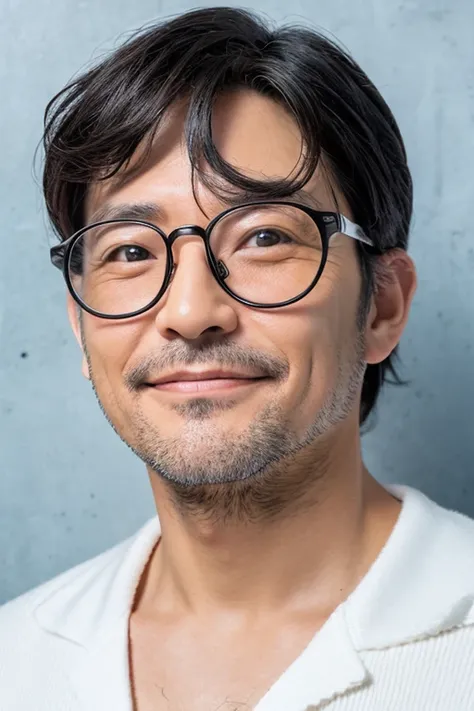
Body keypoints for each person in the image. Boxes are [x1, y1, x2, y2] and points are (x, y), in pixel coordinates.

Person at [1, 6, 473, 710]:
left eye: (264, 238)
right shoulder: (17, 658)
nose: (191, 312)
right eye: (130, 251)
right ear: (81, 328)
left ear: (381, 307)